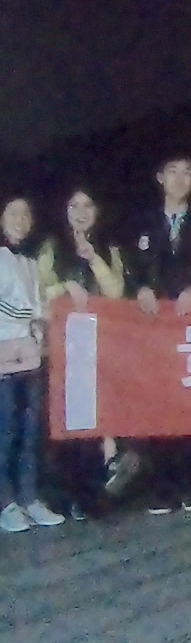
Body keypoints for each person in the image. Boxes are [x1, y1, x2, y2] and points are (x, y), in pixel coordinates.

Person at [126, 156, 191, 515]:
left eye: (187, 173)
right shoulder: (141, 223)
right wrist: (139, 288)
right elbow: (129, 271)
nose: (180, 179)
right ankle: (161, 486)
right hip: (152, 327)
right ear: (159, 177)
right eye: (173, 172)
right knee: (157, 401)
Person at [37, 188, 127, 520]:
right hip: (63, 347)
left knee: (93, 420)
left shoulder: (108, 248)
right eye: (73, 205)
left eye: (87, 205)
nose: (80, 211)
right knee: (66, 421)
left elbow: (116, 293)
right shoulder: (51, 248)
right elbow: (40, 291)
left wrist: (93, 259)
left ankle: (91, 494)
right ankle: (64, 494)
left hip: (100, 345)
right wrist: (65, 287)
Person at [0, 198, 56, 534]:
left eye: (26, 214)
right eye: (13, 214)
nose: (21, 220)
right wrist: (34, 316)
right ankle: (6, 503)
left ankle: (29, 497)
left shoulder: (30, 263)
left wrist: (41, 322)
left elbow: (39, 307)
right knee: (6, 430)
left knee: (30, 431)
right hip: (4, 357)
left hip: (31, 356)